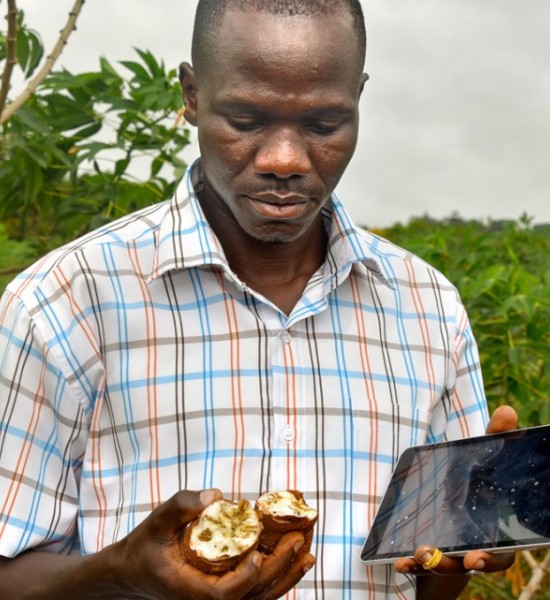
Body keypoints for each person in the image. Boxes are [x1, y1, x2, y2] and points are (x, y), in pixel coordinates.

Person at [0, 1, 517, 598]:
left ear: (359, 97)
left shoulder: (430, 310)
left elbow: (428, 577)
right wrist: (121, 573)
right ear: (191, 95)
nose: (284, 160)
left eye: (324, 125)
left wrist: (455, 557)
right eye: (245, 119)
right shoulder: (64, 303)